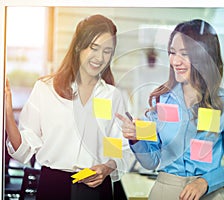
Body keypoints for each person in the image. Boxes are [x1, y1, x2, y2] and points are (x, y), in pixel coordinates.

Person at [116, 19, 224, 200]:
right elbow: (152, 161)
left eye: (184, 54)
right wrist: (135, 139)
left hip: (210, 193)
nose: (175, 61)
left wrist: (205, 182)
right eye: (172, 52)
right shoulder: (162, 100)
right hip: (165, 192)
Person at [5, 14, 132, 200]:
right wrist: (7, 113)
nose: (99, 57)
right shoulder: (46, 89)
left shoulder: (112, 96)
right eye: (94, 48)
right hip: (54, 187)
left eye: (107, 51)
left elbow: (119, 147)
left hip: (97, 189)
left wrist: (107, 167)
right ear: (79, 46)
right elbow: (24, 148)